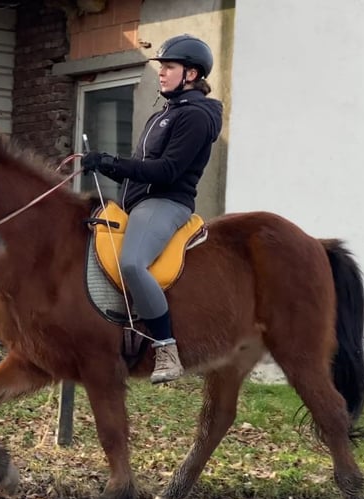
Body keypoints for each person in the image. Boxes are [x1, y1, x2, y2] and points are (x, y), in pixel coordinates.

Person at [81, 34, 223, 384]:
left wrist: (112, 162)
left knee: (131, 263)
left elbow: (166, 171)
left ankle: (166, 348)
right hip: (138, 205)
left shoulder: (195, 117)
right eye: (162, 67)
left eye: (169, 67)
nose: (162, 73)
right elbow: (141, 166)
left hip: (165, 203)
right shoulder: (166, 113)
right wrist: (105, 164)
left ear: (191, 74)